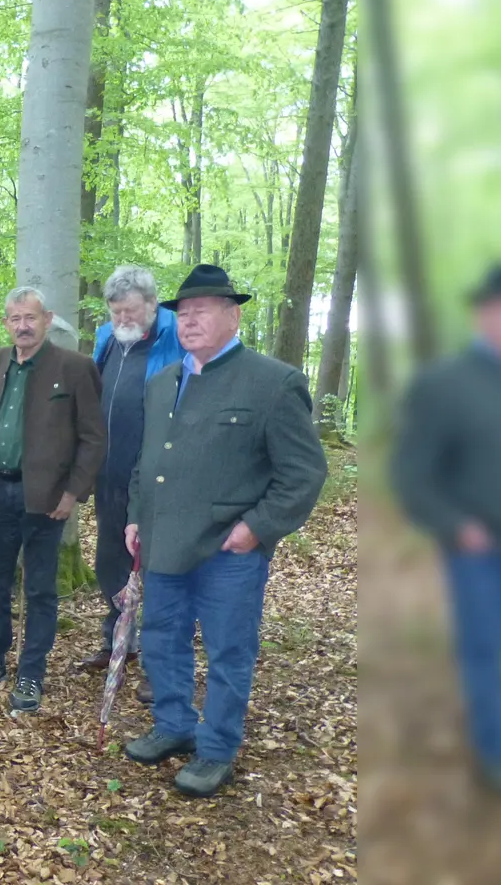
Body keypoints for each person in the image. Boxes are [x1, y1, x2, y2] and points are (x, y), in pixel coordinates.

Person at [121, 264, 327, 798]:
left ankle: (216, 749)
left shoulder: (272, 382)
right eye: (183, 314)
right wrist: (137, 515)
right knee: (162, 641)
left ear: (233, 317)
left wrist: (257, 528)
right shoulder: (163, 383)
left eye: (201, 312)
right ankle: (174, 725)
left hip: (229, 551)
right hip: (164, 542)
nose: (188, 322)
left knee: (228, 652)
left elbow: (303, 473)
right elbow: (148, 461)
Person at [392, 264, 501, 798]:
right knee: (485, 652)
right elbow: (412, 473)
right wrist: (456, 526)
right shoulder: (444, 384)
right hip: (481, 551)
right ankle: (497, 752)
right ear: (482, 317)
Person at [0, 287, 106, 714]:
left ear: (47, 319)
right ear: (6, 323)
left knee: (40, 589)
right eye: (15, 318)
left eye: (30, 318)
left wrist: (73, 492)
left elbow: (94, 437)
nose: (22, 326)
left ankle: (31, 673)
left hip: (46, 498)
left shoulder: (74, 367)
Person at [85, 266, 184, 703]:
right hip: (109, 474)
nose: (122, 319)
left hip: (156, 477)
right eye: (115, 311)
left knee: (157, 568)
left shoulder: (176, 336)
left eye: (130, 310)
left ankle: (159, 664)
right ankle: (118, 642)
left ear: (152, 304)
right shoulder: (107, 340)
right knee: (111, 562)